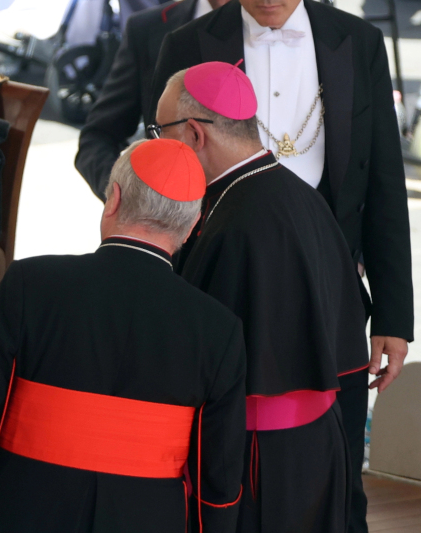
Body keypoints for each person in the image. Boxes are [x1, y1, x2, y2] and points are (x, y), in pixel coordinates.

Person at [148, 2, 412, 529]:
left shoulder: (357, 40)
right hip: (229, 278)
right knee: (229, 454)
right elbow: (167, 163)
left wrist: (393, 314)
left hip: (331, 282)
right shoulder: (186, 42)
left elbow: (384, 175)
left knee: (337, 471)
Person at [0, 139, 247, 533]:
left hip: (20, 513)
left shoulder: (30, 286)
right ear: (192, 226)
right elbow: (216, 484)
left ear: (113, 199)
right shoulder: (219, 331)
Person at [75, 0, 228, 199]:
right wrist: (128, 201)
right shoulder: (148, 28)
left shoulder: (272, 27)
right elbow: (97, 137)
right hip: (168, 220)